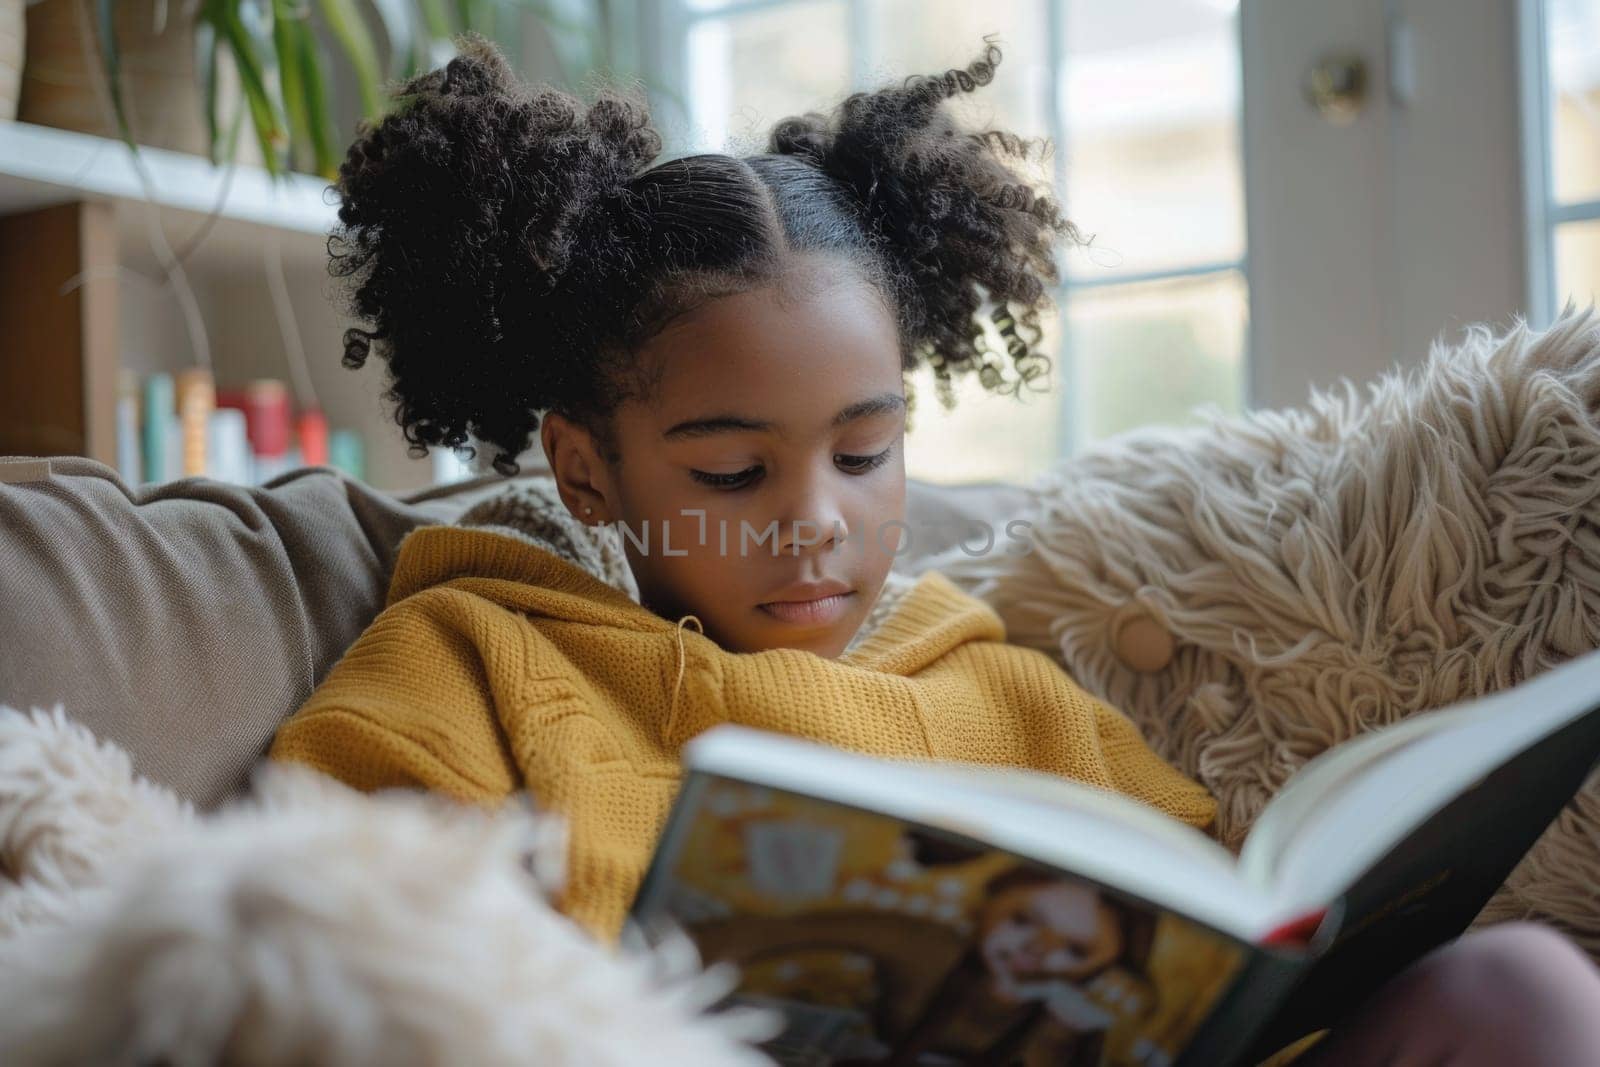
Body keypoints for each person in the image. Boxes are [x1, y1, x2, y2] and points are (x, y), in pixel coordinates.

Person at [270, 37, 1600, 1065]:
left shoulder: (1014, 699)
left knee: (1522, 990)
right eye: (733, 472)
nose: (817, 521)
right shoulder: (469, 663)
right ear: (584, 470)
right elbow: (308, 940)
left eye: (863, 454)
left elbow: (1194, 977)